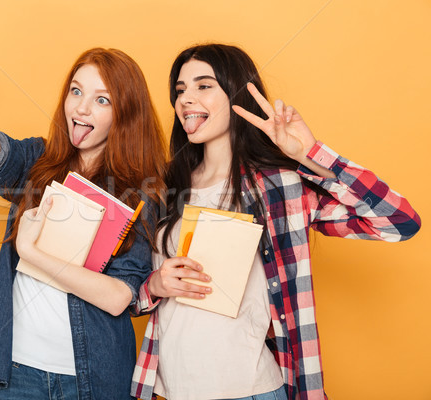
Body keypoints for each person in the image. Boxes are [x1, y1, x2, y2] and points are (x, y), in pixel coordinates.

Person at [130, 44, 421, 400]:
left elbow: (399, 220)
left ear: (238, 96)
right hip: (172, 389)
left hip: (247, 389)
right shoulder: (166, 185)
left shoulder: (278, 186)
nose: (185, 99)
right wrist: (155, 286)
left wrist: (310, 154)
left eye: (203, 86)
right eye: (180, 90)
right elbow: (132, 292)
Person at [0, 48, 167, 400]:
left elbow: (118, 297)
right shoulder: (38, 160)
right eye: (76, 91)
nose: (81, 108)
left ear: (124, 114)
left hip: (93, 380)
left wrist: (31, 252)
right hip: (16, 373)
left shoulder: (143, 193)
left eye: (102, 100)